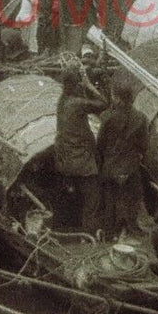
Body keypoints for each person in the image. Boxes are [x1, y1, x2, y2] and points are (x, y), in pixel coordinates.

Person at [53, 67, 107, 231]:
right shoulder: (77, 103)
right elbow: (104, 103)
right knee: (93, 200)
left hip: (67, 160)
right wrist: (89, 85)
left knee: (75, 197)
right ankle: (90, 235)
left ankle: (68, 228)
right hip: (82, 161)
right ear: (76, 85)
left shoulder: (63, 102)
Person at [95, 80, 149, 238]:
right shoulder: (141, 118)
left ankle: (110, 231)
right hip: (130, 167)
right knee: (133, 198)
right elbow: (144, 146)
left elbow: (100, 144)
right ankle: (131, 228)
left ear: (117, 98)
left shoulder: (108, 117)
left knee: (110, 198)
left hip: (111, 166)